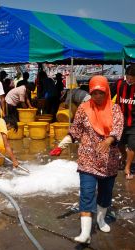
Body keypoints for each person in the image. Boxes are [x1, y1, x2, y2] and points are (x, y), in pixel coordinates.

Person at [68, 75, 123, 244]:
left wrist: (109, 139)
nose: (97, 96)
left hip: (109, 161)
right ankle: (85, 233)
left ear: (106, 91)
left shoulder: (115, 109)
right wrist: (64, 142)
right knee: (86, 193)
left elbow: (118, 127)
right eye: (94, 93)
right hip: (87, 159)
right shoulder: (83, 108)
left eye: (101, 92)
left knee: (105, 195)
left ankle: (100, 219)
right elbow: (75, 130)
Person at [50, 88, 91, 156]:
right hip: (88, 98)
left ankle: (84, 134)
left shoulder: (69, 93)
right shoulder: (75, 91)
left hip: (86, 101)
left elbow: (66, 104)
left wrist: (63, 108)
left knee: (85, 119)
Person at [114, 64, 135, 180]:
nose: (130, 80)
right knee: (119, 144)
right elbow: (107, 94)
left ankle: (127, 167)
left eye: (132, 78)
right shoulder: (119, 84)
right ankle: (123, 155)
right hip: (120, 120)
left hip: (134, 123)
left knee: (132, 145)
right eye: (128, 77)